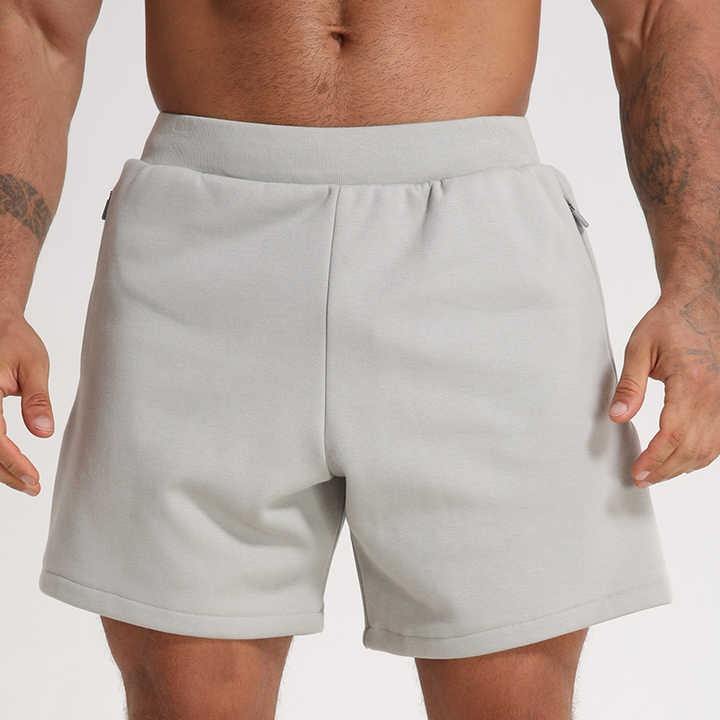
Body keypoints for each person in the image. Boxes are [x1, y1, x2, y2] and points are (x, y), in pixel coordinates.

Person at [1, 1, 717, 717]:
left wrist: (700, 292)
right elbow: (34, 22)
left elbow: (659, 14)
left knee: (514, 702)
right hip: (195, 252)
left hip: (480, 251)